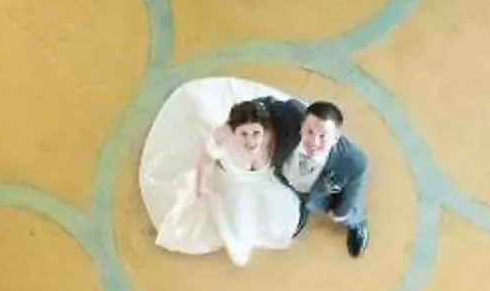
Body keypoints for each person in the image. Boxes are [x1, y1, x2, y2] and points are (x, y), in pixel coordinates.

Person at [137, 76, 301, 266]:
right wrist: (200, 187)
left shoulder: (269, 138)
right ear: (233, 131)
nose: (251, 141)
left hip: (259, 183)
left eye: (256, 133)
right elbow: (204, 162)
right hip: (233, 184)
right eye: (244, 134)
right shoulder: (223, 137)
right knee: (237, 222)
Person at [273, 99, 371, 259]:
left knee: (350, 212)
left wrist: (342, 211)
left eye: (323, 136)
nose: (314, 142)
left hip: (325, 194)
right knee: (297, 196)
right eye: (309, 132)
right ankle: (304, 206)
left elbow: (353, 190)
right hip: (292, 181)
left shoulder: (353, 161)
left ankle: (356, 225)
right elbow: (266, 105)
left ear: (336, 138)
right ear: (301, 126)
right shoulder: (289, 112)